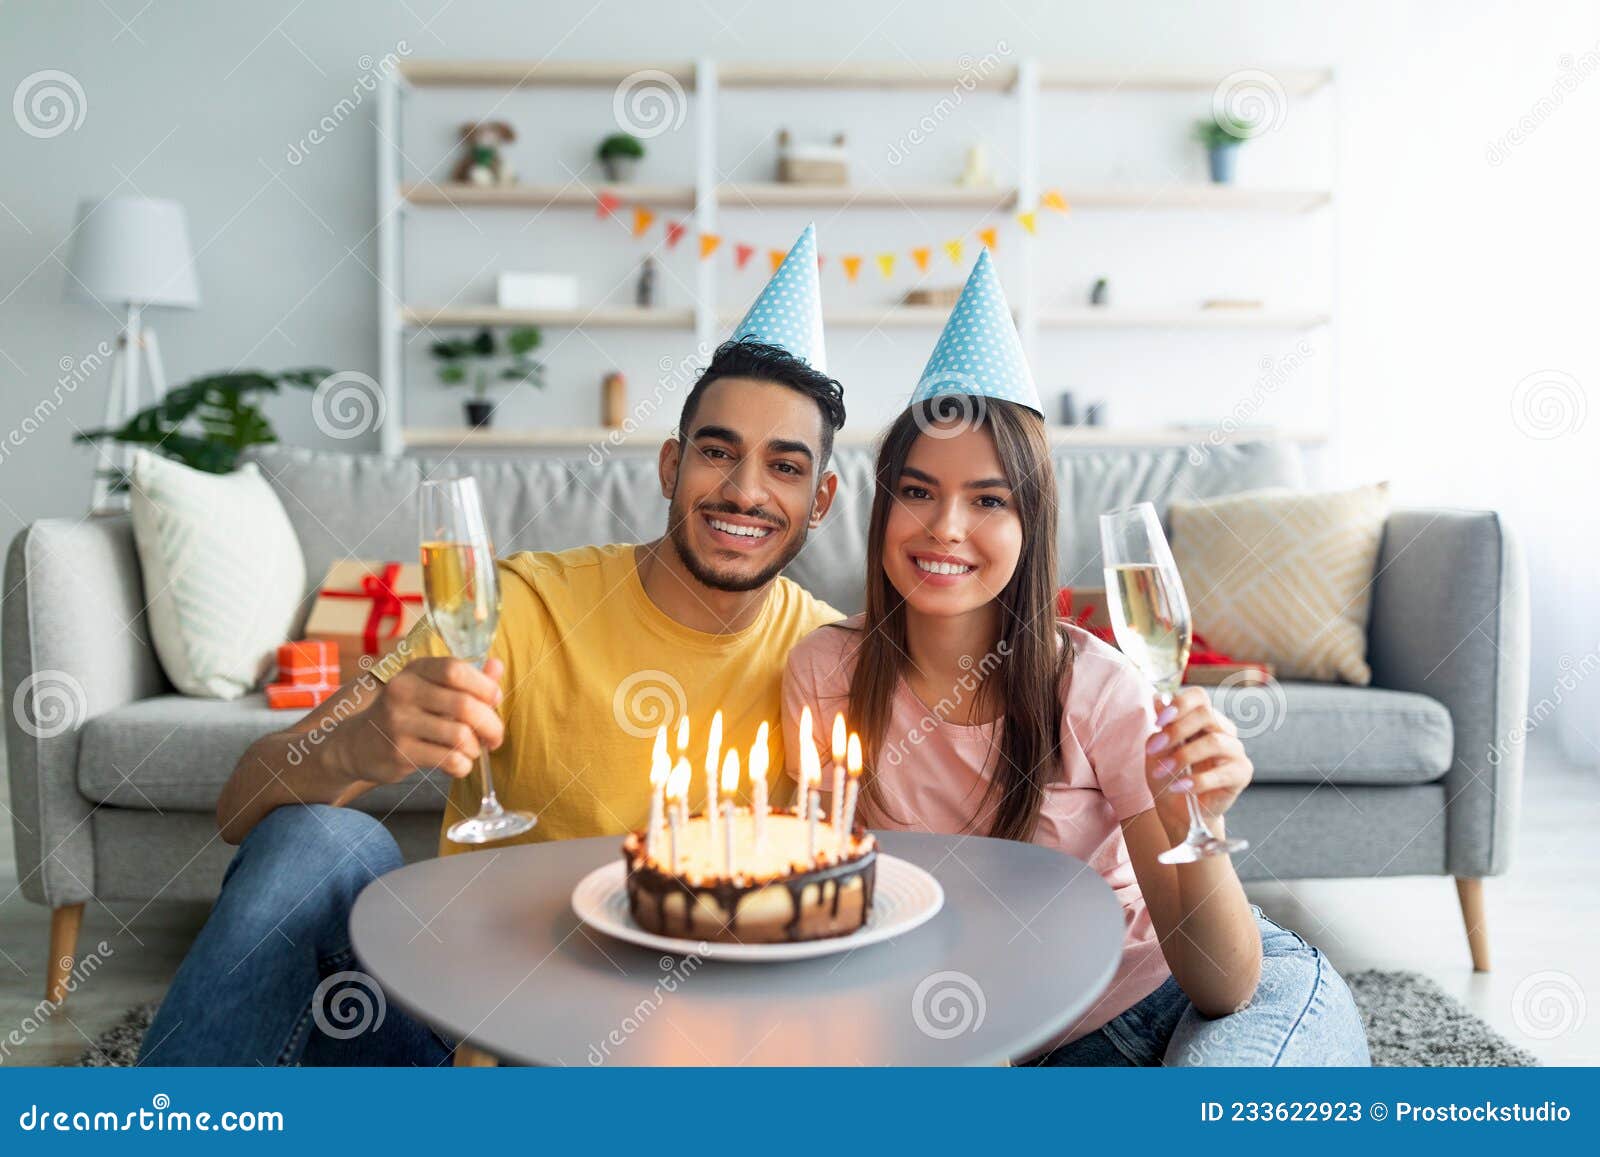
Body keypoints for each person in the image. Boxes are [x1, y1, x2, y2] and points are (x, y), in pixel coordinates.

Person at [142, 227, 845, 1065]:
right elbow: (241, 803)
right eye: (718, 451)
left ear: (824, 497)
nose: (744, 489)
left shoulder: (831, 660)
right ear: (669, 465)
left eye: (785, 466)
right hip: (470, 1060)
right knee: (319, 842)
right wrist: (362, 744)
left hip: (690, 1069)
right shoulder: (517, 604)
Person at [782, 252, 1369, 1066]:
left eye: (988, 499)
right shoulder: (824, 671)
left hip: (1156, 1000)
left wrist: (1201, 819)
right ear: (882, 509)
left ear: (1031, 527)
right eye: (917, 491)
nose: (945, 526)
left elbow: (1219, 985)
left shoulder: (1095, 688)